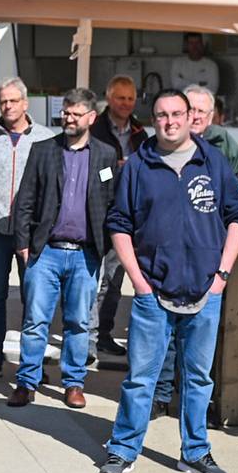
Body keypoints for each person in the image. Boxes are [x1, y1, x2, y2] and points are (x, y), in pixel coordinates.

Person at [99, 89, 238, 473]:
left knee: (198, 378)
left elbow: (237, 217)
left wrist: (222, 276)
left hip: (205, 291)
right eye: (162, 115)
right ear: (154, 120)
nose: (170, 121)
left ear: (190, 117)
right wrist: (138, 280)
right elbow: (118, 223)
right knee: (140, 378)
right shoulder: (139, 165)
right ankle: (122, 449)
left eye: (177, 114)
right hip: (153, 291)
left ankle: (195, 452)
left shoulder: (212, 162)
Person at [7, 88, 117, 409]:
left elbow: (111, 203)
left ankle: (73, 384)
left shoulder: (106, 155)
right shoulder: (44, 150)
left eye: (75, 114)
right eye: (66, 112)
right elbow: (25, 200)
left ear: (91, 117)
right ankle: (26, 382)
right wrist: (23, 246)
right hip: (45, 252)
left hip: (85, 255)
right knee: (35, 321)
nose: (68, 118)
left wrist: (103, 246)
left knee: (78, 323)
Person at [0, 77, 53, 380]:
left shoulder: (45, 138)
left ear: (25, 103)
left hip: (33, 232)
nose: (8, 106)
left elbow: (53, 184)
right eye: (3, 101)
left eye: (13, 100)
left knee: (34, 300)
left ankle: (32, 364)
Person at [89, 75, 148, 360]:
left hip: (124, 215)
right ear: (109, 98)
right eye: (120, 98)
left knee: (113, 280)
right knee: (89, 280)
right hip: (94, 212)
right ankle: (86, 338)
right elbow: (90, 169)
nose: (125, 103)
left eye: (130, 98)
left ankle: (103, 334)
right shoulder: (95, 129)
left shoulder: (140, 133)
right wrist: (115, 168)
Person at [185, 85, 238, 181]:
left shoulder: (221, 138)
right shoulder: (170, 139)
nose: (196, 116)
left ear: (210, 116)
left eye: (201, 111)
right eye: (191, 110)